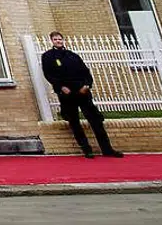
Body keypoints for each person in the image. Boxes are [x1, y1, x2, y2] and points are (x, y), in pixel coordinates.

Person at [42, 31, 124, 159]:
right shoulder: (48, 56)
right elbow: (49, 74)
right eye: (55, 39)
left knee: (95, 120)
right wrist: (61, 87)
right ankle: (86, 149)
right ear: (51, 41)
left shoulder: (73, 56)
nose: (58, 41)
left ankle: (107, 149)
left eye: (60, 39)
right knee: (74, 121)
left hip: (82, 92)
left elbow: (85, 72)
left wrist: (87, 85)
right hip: (67, 94)